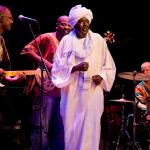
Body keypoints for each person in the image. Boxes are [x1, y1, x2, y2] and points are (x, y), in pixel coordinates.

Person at [51, 4, 116, 150]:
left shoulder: (99, 40)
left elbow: (109, 66)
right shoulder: (66, 41)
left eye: (86, 21)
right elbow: (56, 69)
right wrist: (74, 68)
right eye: (80, 21)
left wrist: (102, 76)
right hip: (71, 95)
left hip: (93, 94)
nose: (84, 24)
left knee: (91, 130)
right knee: (71, 131)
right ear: (74, 24)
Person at [20, 15, 72, 150]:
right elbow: (26, 50)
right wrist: (45, 63)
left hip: (63, 92)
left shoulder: (72, 43)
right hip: (45, 90)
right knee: (41, 128)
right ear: (56, 25)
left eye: (68, 25)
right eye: (62, 24)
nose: (66, 27)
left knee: (60, 131)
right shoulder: (47, 37)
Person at [0, 5, 26, 149]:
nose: (12, 21)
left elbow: (3, 75)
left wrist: (12, 79)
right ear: (0, 18)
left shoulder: (1, 41)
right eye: (10, 18)